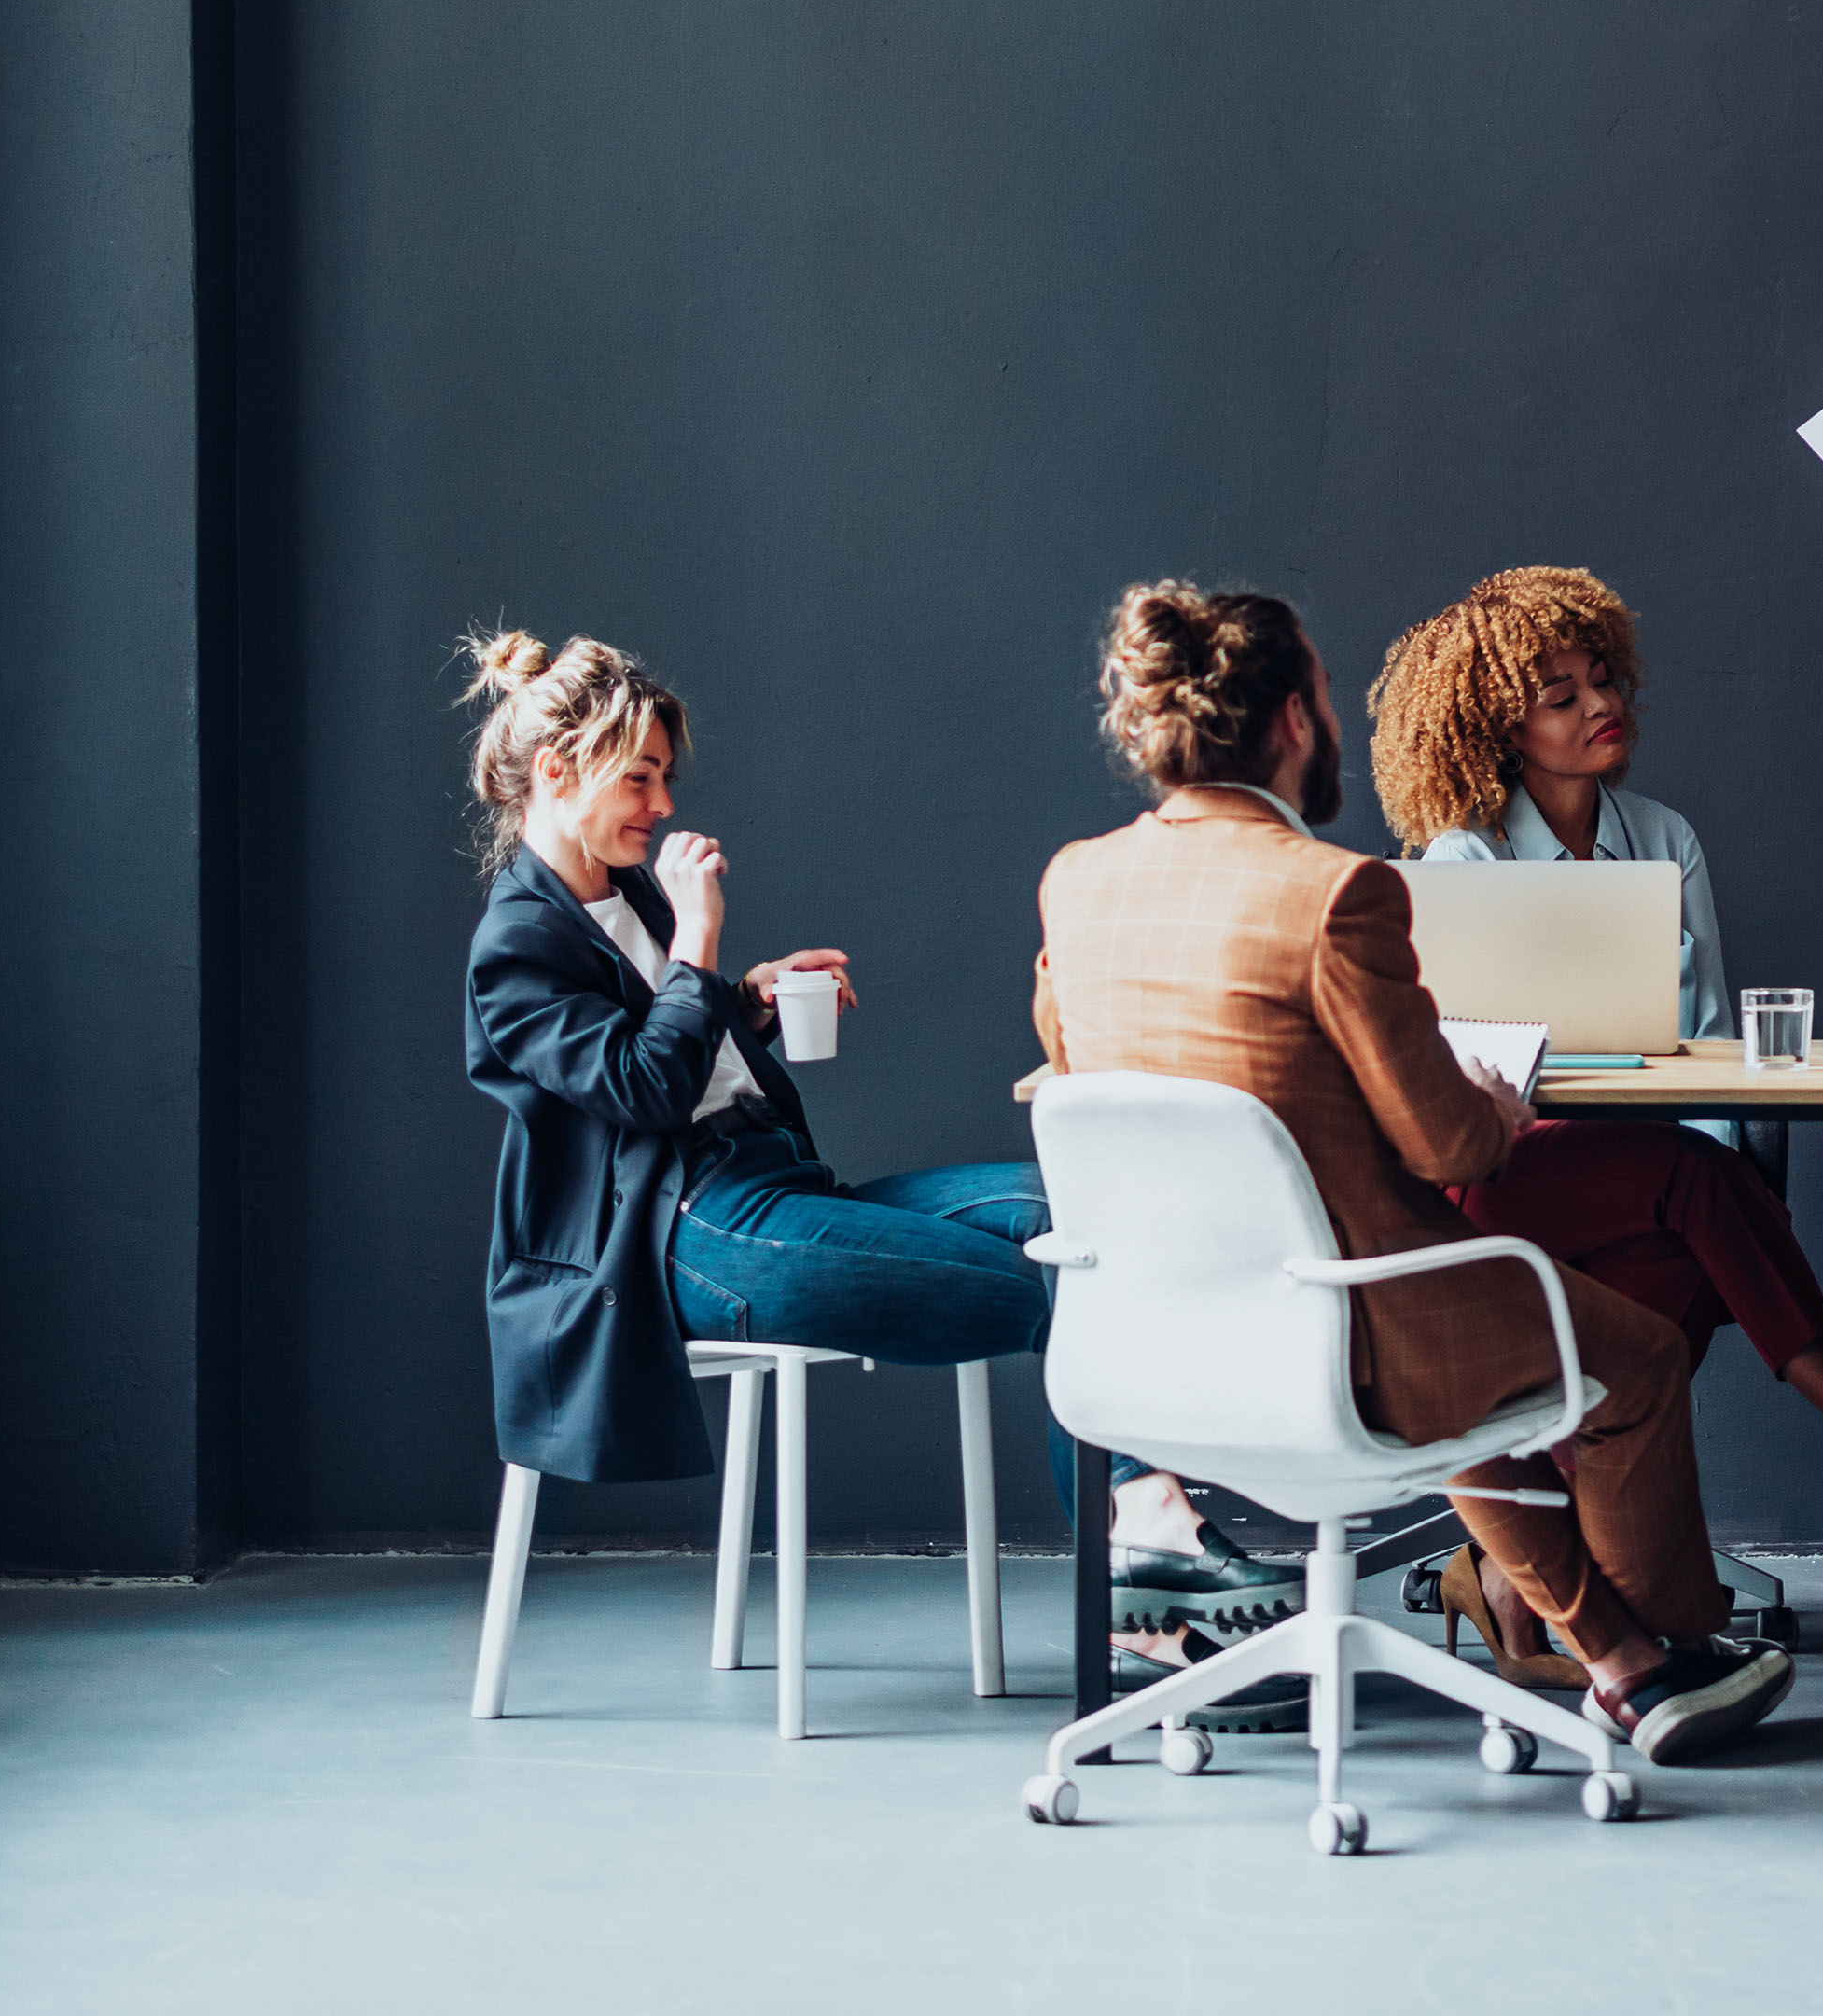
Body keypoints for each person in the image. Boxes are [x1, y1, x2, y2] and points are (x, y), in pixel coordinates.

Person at [454, 630, 1303, 1730]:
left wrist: (750, 995)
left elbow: (671, 1042)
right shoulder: (515, 939)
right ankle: (1150, 1571)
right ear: (557, 770)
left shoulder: (625, 895)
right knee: (1074, 1284)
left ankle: (1148, 1562)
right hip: (694, 1237)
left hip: (773, 1185)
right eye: (640, 775)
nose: (661, 801)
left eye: (665, 775)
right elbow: (642, 1087)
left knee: (1087, 1217)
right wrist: (704, 947)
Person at [1033, 581, 1796, 1764]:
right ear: (1293, 720)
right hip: (1352, 1328)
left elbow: (1073, 1068)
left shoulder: (1075, 881)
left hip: (1150, 1339)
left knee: (1479, 1379)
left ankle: (1616, 1660)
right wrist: (1486, 1100)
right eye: (1328, 700)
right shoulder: (1336, 894)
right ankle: (1675, 1643)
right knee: (1628, 1353)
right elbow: (1452, 1148)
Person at [1369, 566, 1823, 1678]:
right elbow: (1464, 1060)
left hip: (1647, 1172)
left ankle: (1522, 1568)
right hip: (1508, 1169)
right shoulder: (1463, 855)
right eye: (1558, 695)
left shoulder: (1666, 836)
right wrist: (1704, 1181)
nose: (1597, 704)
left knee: (1703, 1226)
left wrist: (1719, 1182)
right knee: (1703, 1195)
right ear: (1499, 726)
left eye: (1600, 677)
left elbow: (1713, 1043)